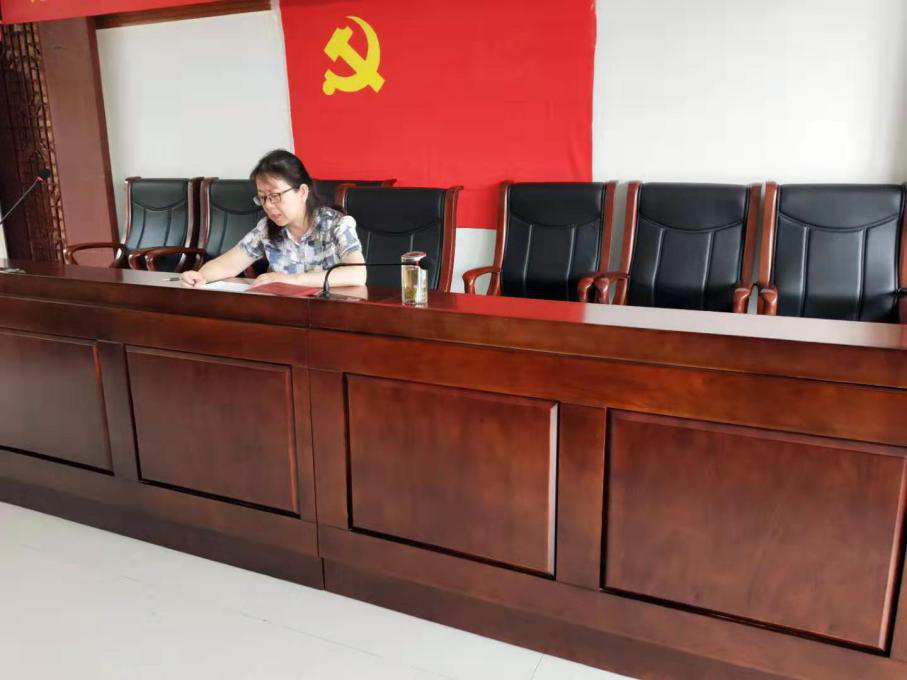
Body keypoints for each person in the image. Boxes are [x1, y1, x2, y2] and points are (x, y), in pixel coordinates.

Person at [180, 149, 366, 289]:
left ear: (302, 192)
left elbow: (357, 274)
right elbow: (228, 264)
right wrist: (200, 276)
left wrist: (292, 280)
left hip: (330, 315)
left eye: (275, 196)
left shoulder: (336, 225)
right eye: (263, 198)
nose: (268, 205)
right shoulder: (266, 229)